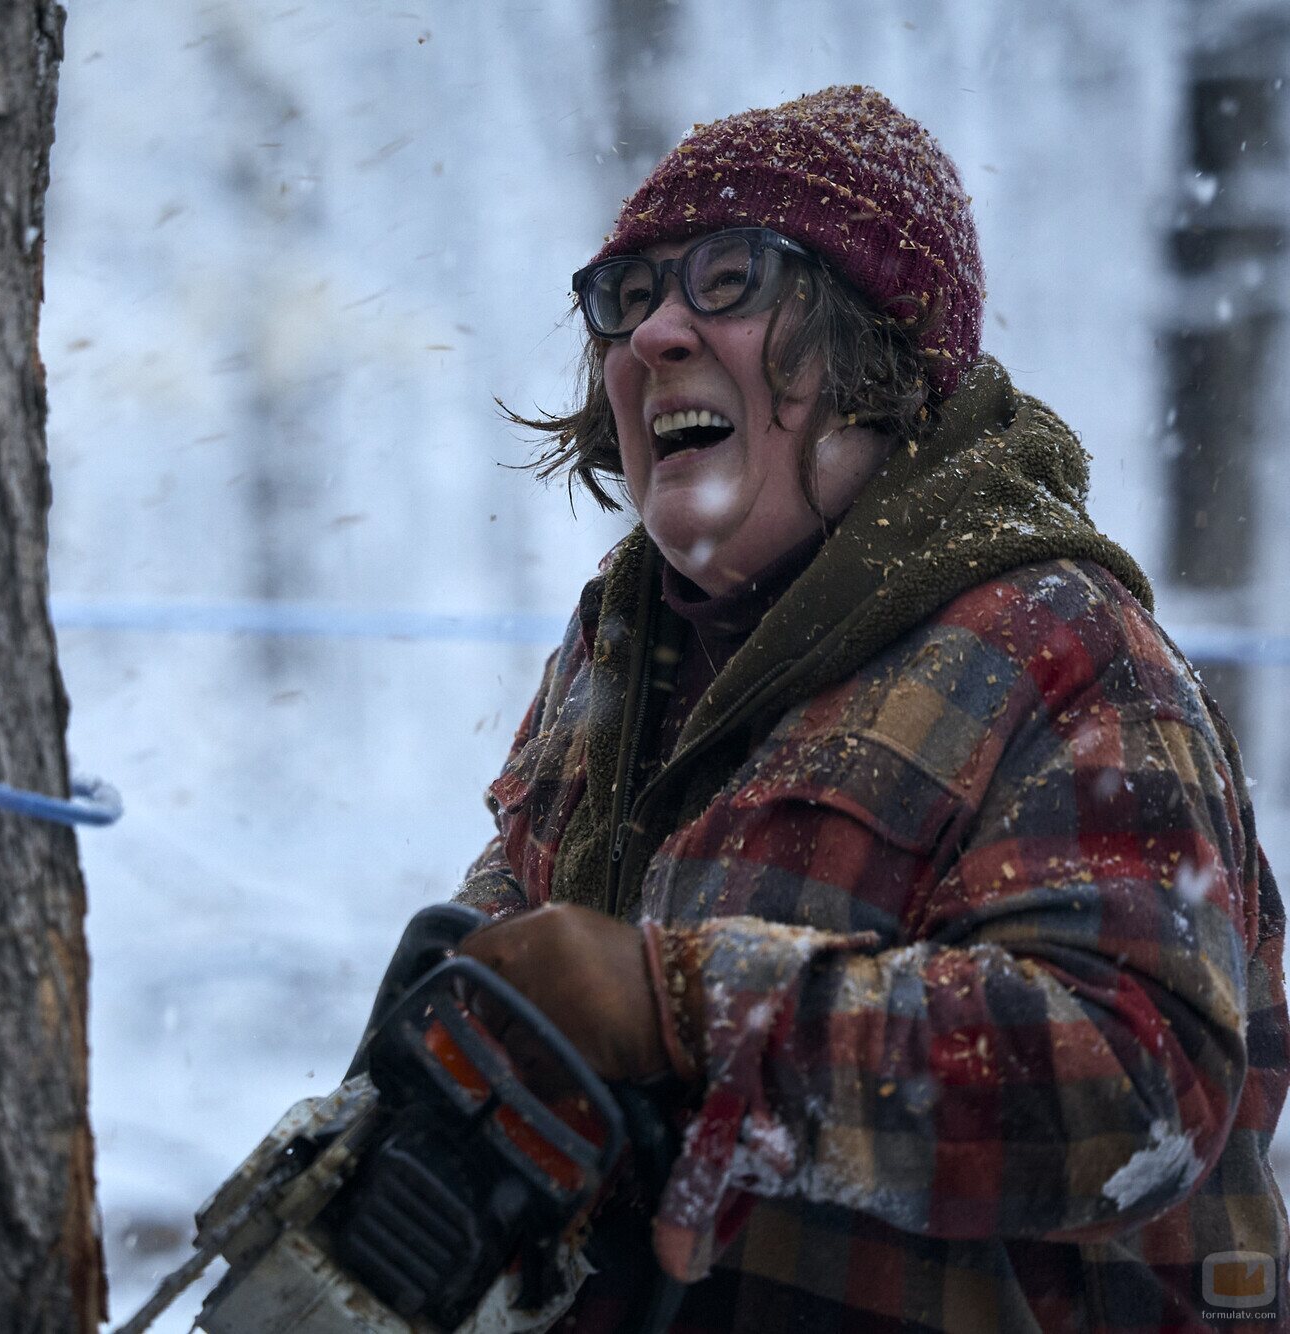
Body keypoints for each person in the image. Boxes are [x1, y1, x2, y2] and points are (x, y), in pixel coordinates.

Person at [452, 85, 1289, 1332]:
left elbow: (1140, 1087)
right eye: (623, 299)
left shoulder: (1060, 646)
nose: (651, 336)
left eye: (727, 279)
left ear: (877, 349)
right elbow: (520, 960)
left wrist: (690, 1009)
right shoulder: (614, 656)